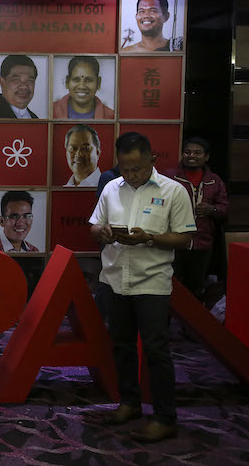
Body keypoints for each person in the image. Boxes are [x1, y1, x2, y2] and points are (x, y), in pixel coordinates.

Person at [87, 132, 196, 443]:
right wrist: (103, 232)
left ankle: (165, 417)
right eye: (125, 168)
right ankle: (129, 403)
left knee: (156, 350)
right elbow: (95, 225)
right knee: (120, 346)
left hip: (152, 282)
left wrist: (149, 237)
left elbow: (186, 237)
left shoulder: (173, 191)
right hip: (113, 278)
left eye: (137, 168)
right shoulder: (111, 188)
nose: (131, 174)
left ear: (152, 160)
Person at [168, 137, 229, 302]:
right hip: (175, 242)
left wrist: (212, 209)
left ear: (206, 157)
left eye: (197, 152)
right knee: (171, 287)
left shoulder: (214, 180)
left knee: (195, 288)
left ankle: (189, 327)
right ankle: (167, 325)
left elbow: (225, 208)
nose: (191, 155)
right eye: (187, 152)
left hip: (202, 243)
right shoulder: (170, 177)